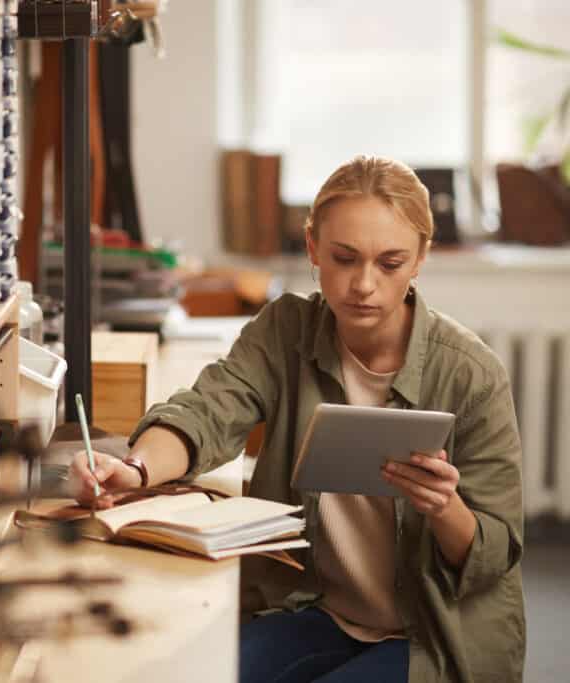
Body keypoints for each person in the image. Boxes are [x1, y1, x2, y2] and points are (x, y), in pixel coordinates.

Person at [69, 156, 525, 682]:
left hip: (431, 633)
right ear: (312, 247)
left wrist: (444, 507)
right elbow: (206, 411)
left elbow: (494, 555)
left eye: (390, 263)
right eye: (344, 258)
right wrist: (135, 469)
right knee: (197, 671)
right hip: (318, 608)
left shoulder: (472, 374)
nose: (364, 285)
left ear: (420, 258)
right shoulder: (285, 329)